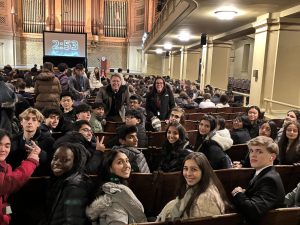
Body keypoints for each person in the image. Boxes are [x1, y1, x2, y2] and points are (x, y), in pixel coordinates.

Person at [157, 152, 231, 221]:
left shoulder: (204, 199)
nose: (188, 173)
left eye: (194, 169)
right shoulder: (199, 185)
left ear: (203, 172)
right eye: (185, 168)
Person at [231, 136, 285, 225]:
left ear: (272, 157)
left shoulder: (269, 179)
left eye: (259, 151)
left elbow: (253, 211)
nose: (253, 155)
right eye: (251, 151)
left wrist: (238, 193)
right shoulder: (261, 172)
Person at [86, 149, 147, 225]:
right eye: (120, 162)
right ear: (110, 169)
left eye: (127, 161)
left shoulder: (116, 188)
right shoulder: (113, 196)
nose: (127, 165)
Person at [40, 143, 93, 225]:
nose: (56, 163)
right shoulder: (61, 180)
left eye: (64, 160)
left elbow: (74, 221)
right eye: (55, 158)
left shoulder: (75, 187)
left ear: (75, 162)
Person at [0, 129, 40, 225]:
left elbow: (5, 200)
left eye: (7, 146)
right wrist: (31, 161)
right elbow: (6, 185)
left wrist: (7, 217)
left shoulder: (6, 166)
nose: (3, 149)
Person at [7, 107, 55, 176]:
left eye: (34, 120)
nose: (30, 122)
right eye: (26, 119)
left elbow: (51, 163)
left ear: (38, 124)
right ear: (21, 122)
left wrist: (41, 153)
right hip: (16, 178)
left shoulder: (49, 140)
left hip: (38, 180)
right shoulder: (12, 140)